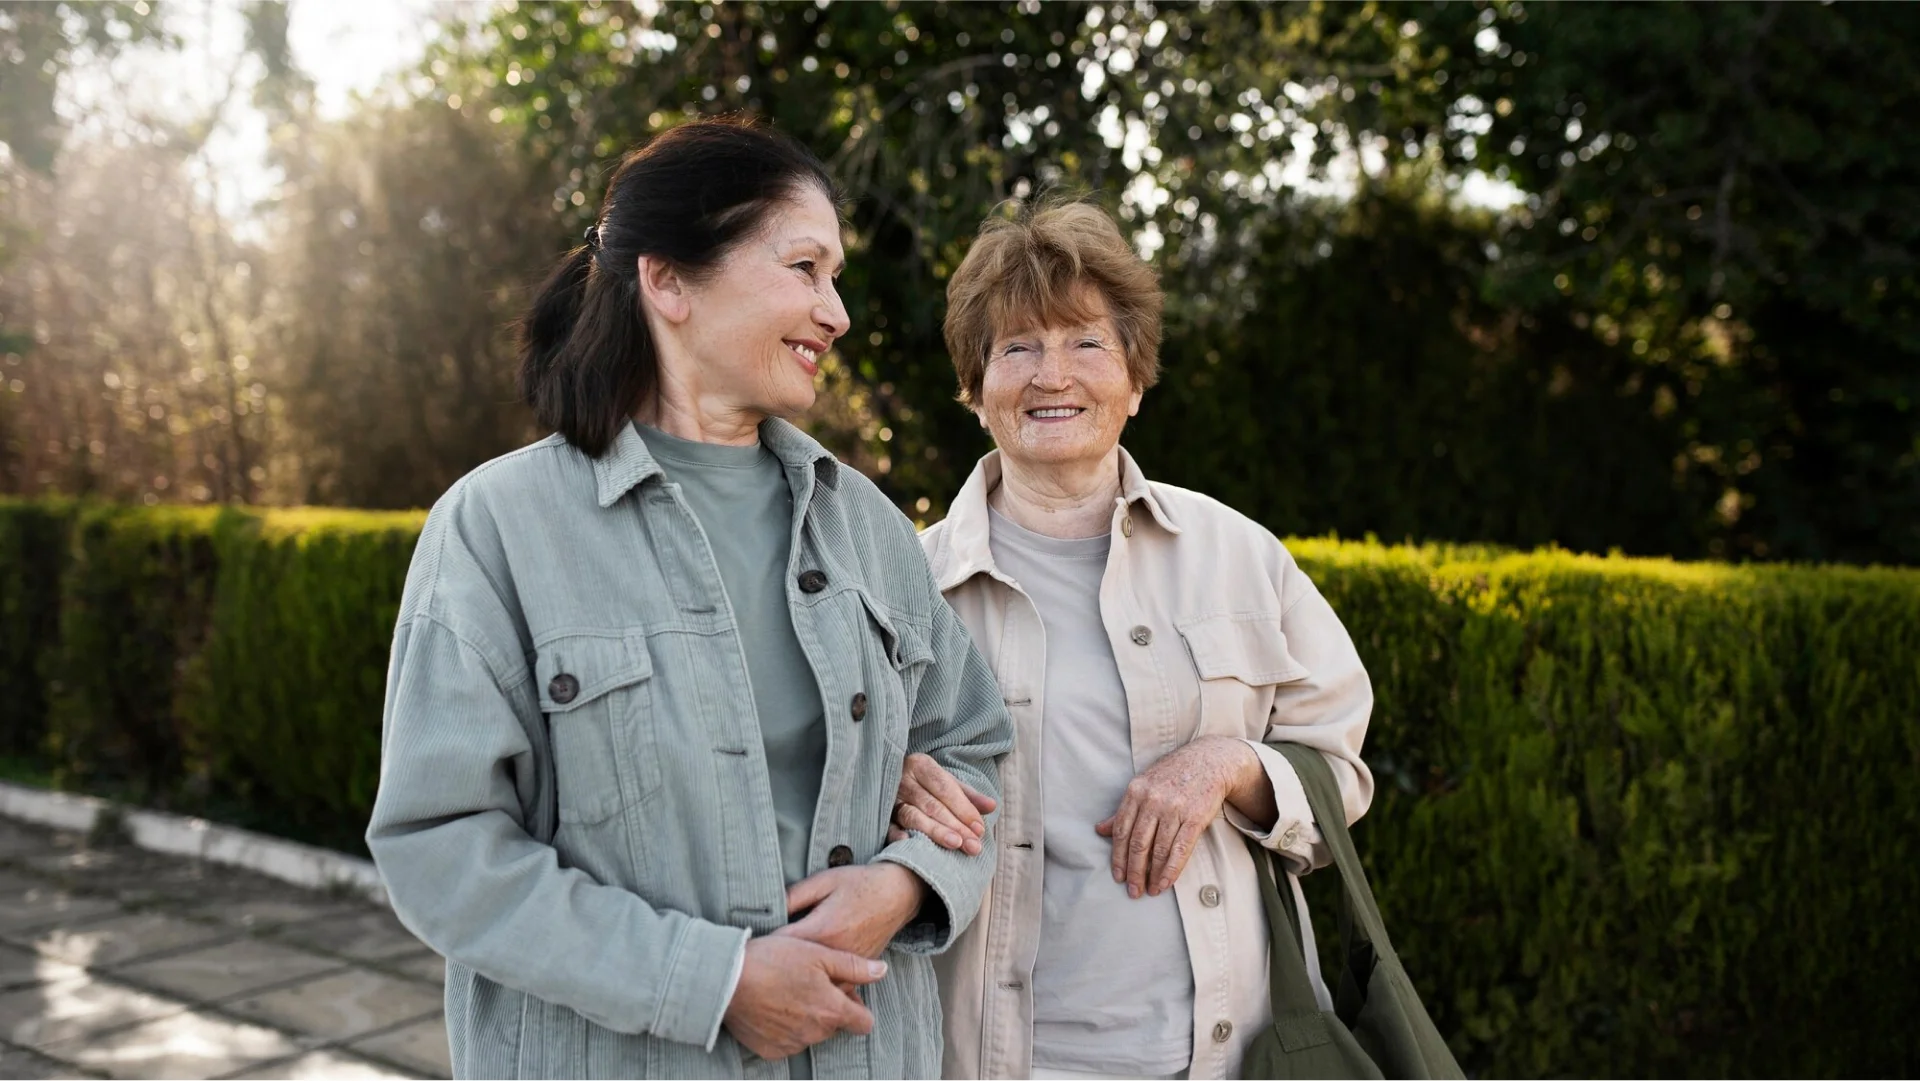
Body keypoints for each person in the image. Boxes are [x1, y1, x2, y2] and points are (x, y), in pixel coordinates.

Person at [365, 118, 1012, 1080]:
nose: (836, 313)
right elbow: (440, 845)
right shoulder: (497, 527)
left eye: (836, 277)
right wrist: (711, 981)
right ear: (668, 281)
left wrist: (904, 884)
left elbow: (972, 745)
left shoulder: (866, 526)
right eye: (804, 268)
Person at [888, 199, 1375, 1080]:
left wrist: (1229, 762)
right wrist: (885, 785)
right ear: (975, 388)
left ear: (1136, 380)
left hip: (1226, 1056)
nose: (1052, 375)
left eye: (1086, 342)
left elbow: (1339, 770)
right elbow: (821, 791)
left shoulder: (1240, 555)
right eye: (1017, 348)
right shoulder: (902, 586)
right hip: (997, 1061)